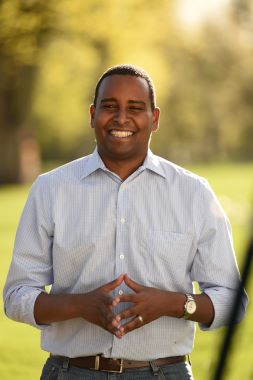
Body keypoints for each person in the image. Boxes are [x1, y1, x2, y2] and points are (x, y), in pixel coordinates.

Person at [3, 64, 248, 380]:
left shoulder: (194, 193)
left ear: (154, 118)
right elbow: (17, 296)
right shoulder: (51, 190)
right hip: (70, 373)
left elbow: (233, 301)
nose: (121, 118)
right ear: (93, 115)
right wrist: (80, 306)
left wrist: (173, 303)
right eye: (109, 107)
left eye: (135, 108)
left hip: (165, 373)